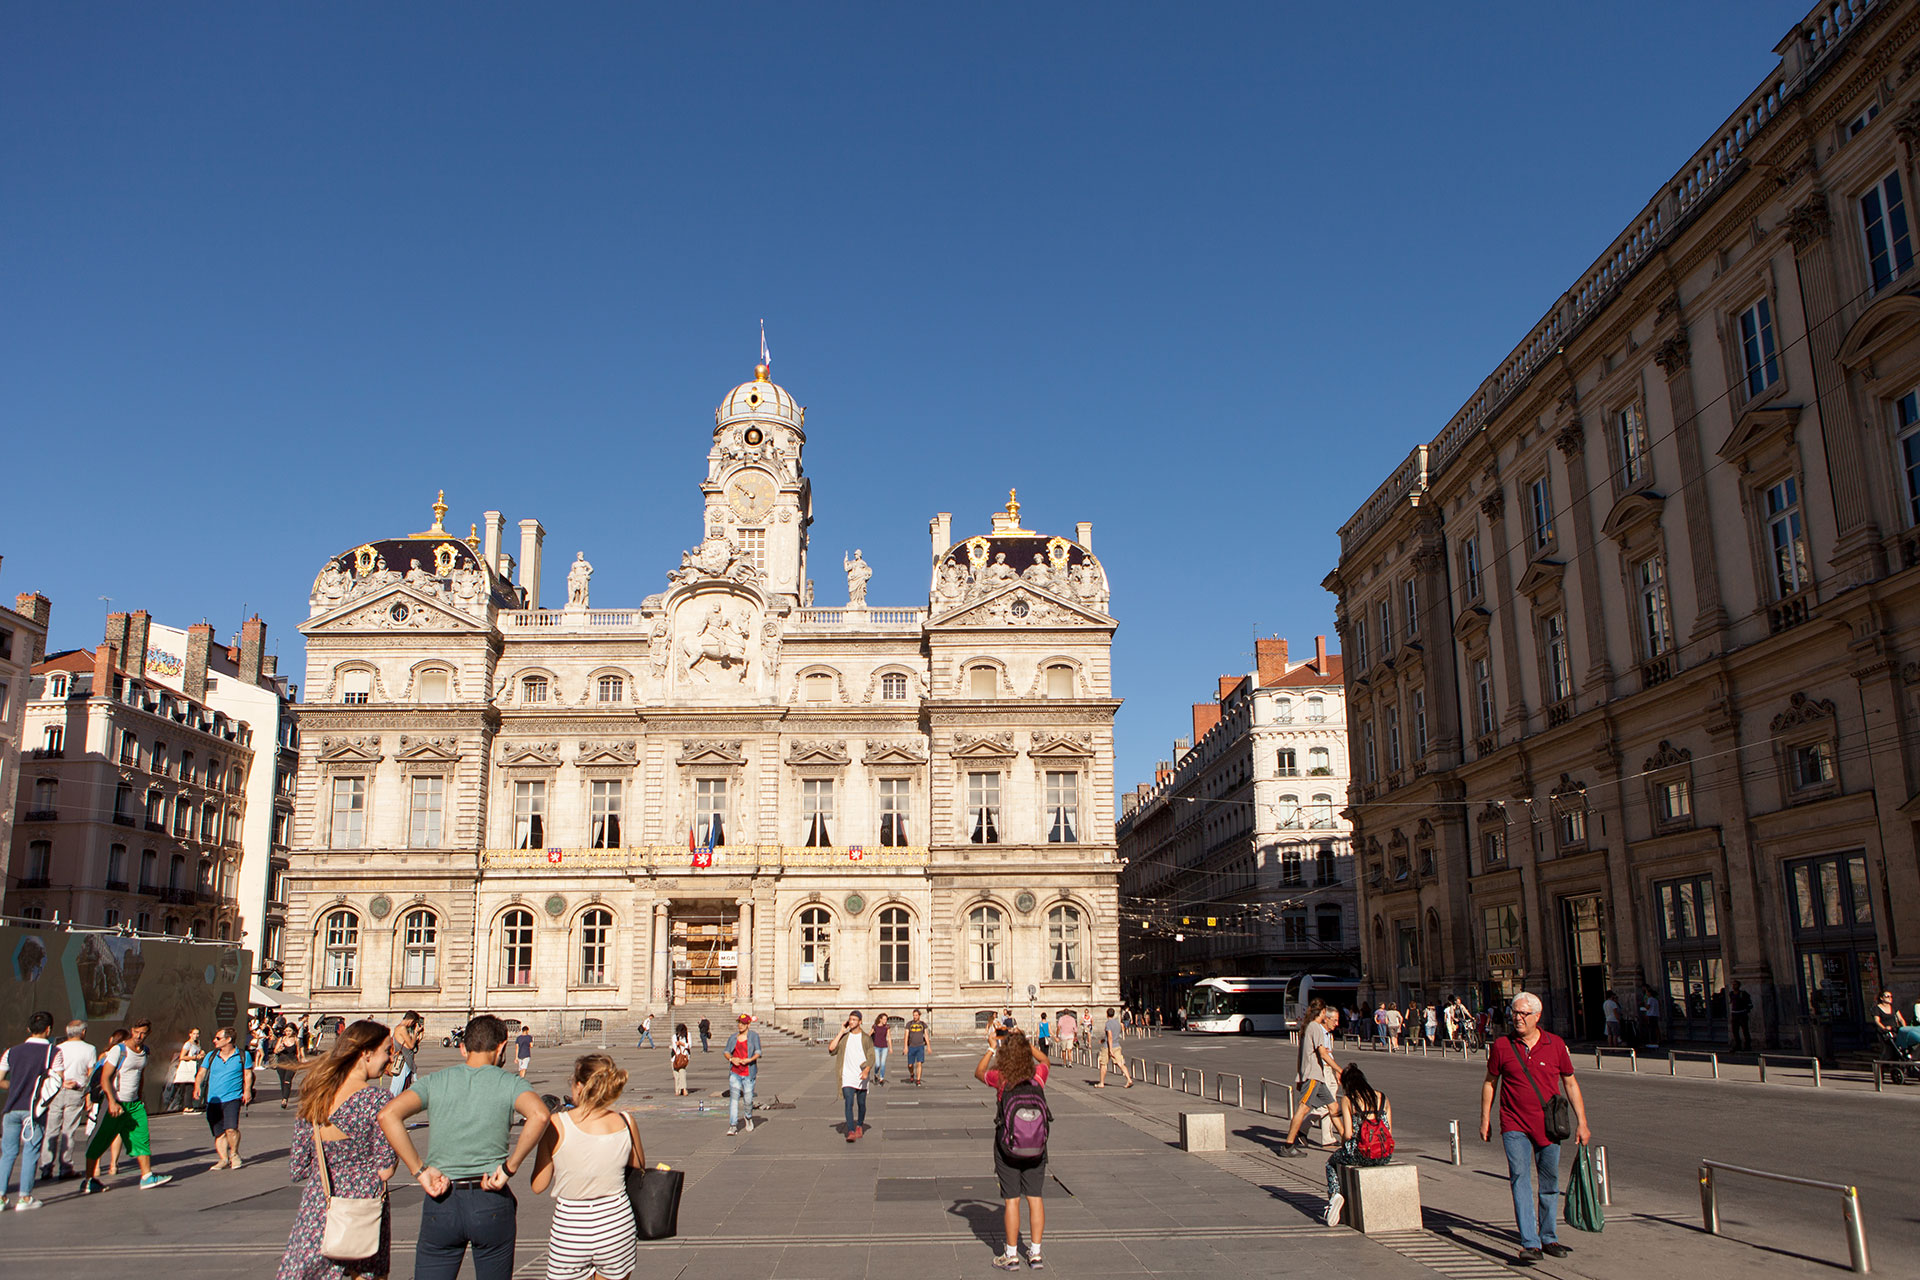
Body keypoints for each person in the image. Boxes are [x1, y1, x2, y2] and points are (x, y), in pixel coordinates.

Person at [380, 1014, 552, 1280]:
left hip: (442, 1199)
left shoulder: (435, 1081)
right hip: (490, 1196)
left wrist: (420, 1170)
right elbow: (540, 1115)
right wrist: (509, 1167)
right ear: (502, 1046)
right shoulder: (509, 1083)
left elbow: (388, 1115)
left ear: (463, 1048)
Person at [278, 1020, 398, 1280]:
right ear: (366, 1053)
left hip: (320, 1202)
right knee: (365, 1273)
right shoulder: (377, 1100)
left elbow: (298, 1166)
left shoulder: (316, 1093)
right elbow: (386, 1169)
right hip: (364, 1203)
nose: (389, 1059)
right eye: (387, 1051)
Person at [1481, 991, 1591, 1266]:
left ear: (1537, 1017)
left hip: (1549, 1125)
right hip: (1513, 1123)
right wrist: (1485, 1118)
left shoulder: (1555, 1045)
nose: (1516, 1018)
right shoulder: (1503, 1046)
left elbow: (1570, 1083)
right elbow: (1490, 1082)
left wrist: (1583, 1123)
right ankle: (1530, 1242)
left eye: (1522, 1014)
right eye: (1514, 1013)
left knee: (1550, 1183)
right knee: (1519, 1177)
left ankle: (1549, 1237)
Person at [531, 1054, 642, 1280]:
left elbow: (538, 1184)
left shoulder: (557, 1124)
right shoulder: (626, 1122)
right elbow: (638, 1166)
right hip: (616, 1224)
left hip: (571, 1227)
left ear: (580, 1086)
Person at [975, 1026, 1049, 1270]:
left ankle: (1011, 1255)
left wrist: (991, 1046)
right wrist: (1025, 1043)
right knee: (1035, 1198)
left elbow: (979, 1072)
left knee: (1012, 1201)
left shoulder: (1001, 1079)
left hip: (1007, 1146)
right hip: (1037, 1146)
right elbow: (1045, 1059)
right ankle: (1036, 1254)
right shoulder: (1038, 1075)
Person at [81, 1019, 170, 1192]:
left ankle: (147, 1176)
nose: (139, 1036)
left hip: (135, 1104)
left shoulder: (144, 1052)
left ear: (148, 1033)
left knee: (142, 1138)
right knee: (100, 1140)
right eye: (136, 1032)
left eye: (143, 1033)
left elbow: (140, 1075)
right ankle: (89, 1179)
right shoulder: (119, 1050)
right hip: (115, 1103)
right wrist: (112, 1101)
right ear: (132, 1030)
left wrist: (140, 1097)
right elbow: (105, 1078)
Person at [1322, 1063, 1393, 1227]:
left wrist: (1343, 1146)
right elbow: (1389, 1131)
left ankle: (1335, 1195)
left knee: (1331, 1162)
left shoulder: (1349, 1099)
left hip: (1361, 1153)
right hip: (1384, 1155)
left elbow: (1347, 1134)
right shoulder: (1382, 1097)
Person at [0, 1011, 57, 1210]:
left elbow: (0, 1079)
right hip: (34, 1111)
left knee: (7, 1153)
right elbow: (55, 1082)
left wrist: (14, 1086)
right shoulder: (53, 1053)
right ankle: (25, 1198)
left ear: (28, 1029)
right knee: (31, 1152)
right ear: (49, 1029)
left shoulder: (11, 1052)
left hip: (11, 1109)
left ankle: (1, 1197)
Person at [37, 1019, 95, 1183]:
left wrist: (61, 1083)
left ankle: (46, 1167)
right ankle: (66, 1167)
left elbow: (51, 1071)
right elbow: (91, 1074)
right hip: (76, 1091)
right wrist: (88, 1097)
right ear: (83, 1032)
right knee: (69, 1131)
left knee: (51, 1129)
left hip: (57, 1091)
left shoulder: (58, 1048)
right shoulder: (90, 1049)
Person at [1280, 1001, 1341, 1156]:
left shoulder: (1309, 1028)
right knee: (1303, 1109)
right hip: (1313, 1075)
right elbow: (1323, 1053)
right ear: (1321, 1012)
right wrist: (1340, 1070)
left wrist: (1300, 1076)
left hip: (1317, 1076)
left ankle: (1348, 1142)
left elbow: (1302, 1055)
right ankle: (1288, 1145)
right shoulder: (1315, 1027)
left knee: (1333, 1106)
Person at [195, 1026, 254, 1170]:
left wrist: (247, 1091)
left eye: (218, 1038)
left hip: (232, 1097)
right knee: (219, 1132)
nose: (214, 1040)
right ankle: (223, 1159)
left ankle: (234, 1154)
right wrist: (197, 1086)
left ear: (228, 1040)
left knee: (231, 1128)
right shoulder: (212, 1055)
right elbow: (202, 1072)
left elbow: (247, 1074)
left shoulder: (243, 1056)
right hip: (213, 1099)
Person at [828, 1010, 874, 1141]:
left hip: (861, 1075)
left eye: (854, 1019)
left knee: (861, 1103)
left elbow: (871, 1056)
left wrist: (867, 1070)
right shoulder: (845, 1038)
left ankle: (859, 1125)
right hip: (847, 1075)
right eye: (850, 1019)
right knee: (848, 1102)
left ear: (860, 1022)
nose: (852, 1022)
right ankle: (851, 1131)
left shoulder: (866, 1038)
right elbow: (831, 1049)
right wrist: (841, 1031)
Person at [725, 1014, 761, 1135]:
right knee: (734, 1099)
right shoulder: (733, 1037)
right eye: (739, 1023)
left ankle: (748, 1116)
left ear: (748, 1025)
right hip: (735, 1072)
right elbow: (726, 1052)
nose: (740, 1025)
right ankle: (733, 1125)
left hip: (748, 1072)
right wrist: (731, 1059)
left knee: (748, 1099)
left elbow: (758, 1052)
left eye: (743, 1023)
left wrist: (749, 1060)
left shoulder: (754, 1036)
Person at [163, 1028, 203, 1113]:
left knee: (190, 1087)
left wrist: (201, 1053)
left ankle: (188, 1105)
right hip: (188, 1068)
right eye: (194, 1033)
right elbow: (182, 1056)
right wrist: (195, 1057)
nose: (196, 1036)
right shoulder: (188, 1044)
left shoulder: (197, 1044)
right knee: (188, 1087)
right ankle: (187, 1106)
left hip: (193, 1068)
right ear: (190, 1034)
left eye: (197, 1034)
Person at [1095, 1007, 1132, 1088]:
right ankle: (1129, 1079)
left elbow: (1110, 1036)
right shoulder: (1118, 1023)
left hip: (1108, 1046)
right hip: (1117, 1044)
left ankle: (1101, 1083)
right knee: (1120, 1063)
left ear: (1107, 1014)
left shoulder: (1108, 1023)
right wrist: (1103, 1039)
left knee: (1103, 1064)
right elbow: (1114, 1035)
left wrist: (1110, 1049)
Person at [390, 1013, 423, 1097]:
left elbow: (410, 1046)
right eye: (413, 1023)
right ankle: (389, 1106)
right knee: (397, 1089)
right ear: (411, 1021)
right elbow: (411, 1045)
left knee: (403, 1088)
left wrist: (419, 1036)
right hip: (403, 1062)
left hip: (406, 1062)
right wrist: (415, 1033)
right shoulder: (401, 1028)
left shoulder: (400, 1028)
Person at [275, 1022, 303, 1106]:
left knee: (287, 1080)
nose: (288, 1033)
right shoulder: (281, 1039)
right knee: (282, 1081)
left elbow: (298, 1052)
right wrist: (279, 1049)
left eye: (289, 1031)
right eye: (286, 1031)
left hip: (292, 1062)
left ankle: (285, 1099)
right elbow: (275, 1051)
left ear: (293, 1031)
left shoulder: (296, 1040)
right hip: (282, 1062)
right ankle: (284, 1096)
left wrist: (300, 1061)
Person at [905, 1009, 930, 1086]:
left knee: (919, 1063)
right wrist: (905, 1046)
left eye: (916, 1015)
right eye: (914, 1015)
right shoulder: (909, 1024)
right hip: (911, 1046)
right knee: (910, 1065)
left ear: (919, 1016)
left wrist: (928, 1046)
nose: (915, 1017)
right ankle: (912, 1074)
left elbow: (926, 1035)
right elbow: (906, 1036)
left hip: (920, 1046)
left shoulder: (923, 1024)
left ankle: (918, 1080)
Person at [1729, 982, 1754, 1052]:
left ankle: (1747, 1045)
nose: (1734, 986)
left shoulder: (1743, 994)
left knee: (1745, 1030)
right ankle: (1738, 1045)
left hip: (1742, 1014)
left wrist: (1746, 1010)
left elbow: (1749, 1004)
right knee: (1735, 1031)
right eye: (1733, 985)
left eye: (1735, 985)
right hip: (1734, 1014)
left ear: (1739, 986)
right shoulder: (1731, 994)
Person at [670, 1025, 691, 1097]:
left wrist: (681, 1043)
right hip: (675, 1057)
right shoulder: (674, 1036)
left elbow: (689, 1045)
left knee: (682, 1072)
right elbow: (674, 1047)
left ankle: (684, 1089)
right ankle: (678, 1090)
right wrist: (677, 1057)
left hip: (684, 1057)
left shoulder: (688, 1035)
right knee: (676, 1074)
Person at [871, 1014, 891, 1085]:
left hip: (884, 1047)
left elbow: (889, 1037)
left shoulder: (887, 1027)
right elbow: (869, 1034)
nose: (885, 1021)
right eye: (884, 1019)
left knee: (883, 1063)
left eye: (886, 1019)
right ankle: (876, 1074)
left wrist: (890, 1047)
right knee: (877, 1064)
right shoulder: (875, 1027)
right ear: (880, 1019)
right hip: (876, 1047)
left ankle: (881, 1078)